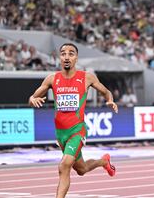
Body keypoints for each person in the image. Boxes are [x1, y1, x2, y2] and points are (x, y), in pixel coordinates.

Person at [28, 43, 118, 198]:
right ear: (59, 58)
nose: (67, 57)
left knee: (64, 166)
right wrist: (32, 100)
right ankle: (103, 162)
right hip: (60, 134)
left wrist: (110, 100)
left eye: (71, 53)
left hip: (77, 131)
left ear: (76, 58)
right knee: (81, 169)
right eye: (63, 54)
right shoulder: (52, 79)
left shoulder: (86, 77)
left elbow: (105, 91)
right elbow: (33, 97)